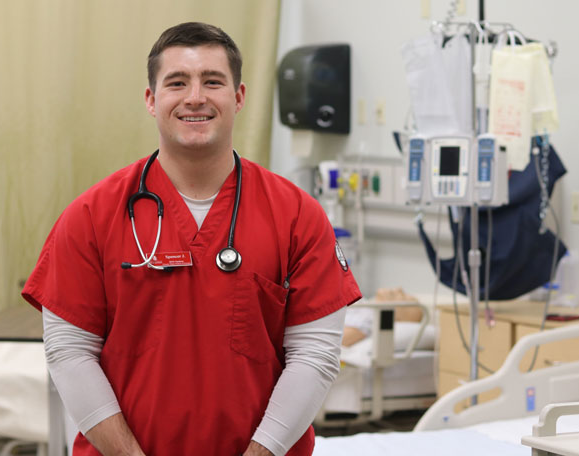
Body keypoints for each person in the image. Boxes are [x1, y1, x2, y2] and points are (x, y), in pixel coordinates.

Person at [22, 22, 362, 455]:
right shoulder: (91, 216)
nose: (195, 97)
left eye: (213, 82)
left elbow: (314, 357)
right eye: (177, 82)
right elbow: (69, 352)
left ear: (239, 97)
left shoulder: (298, 216)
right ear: (152, 99)